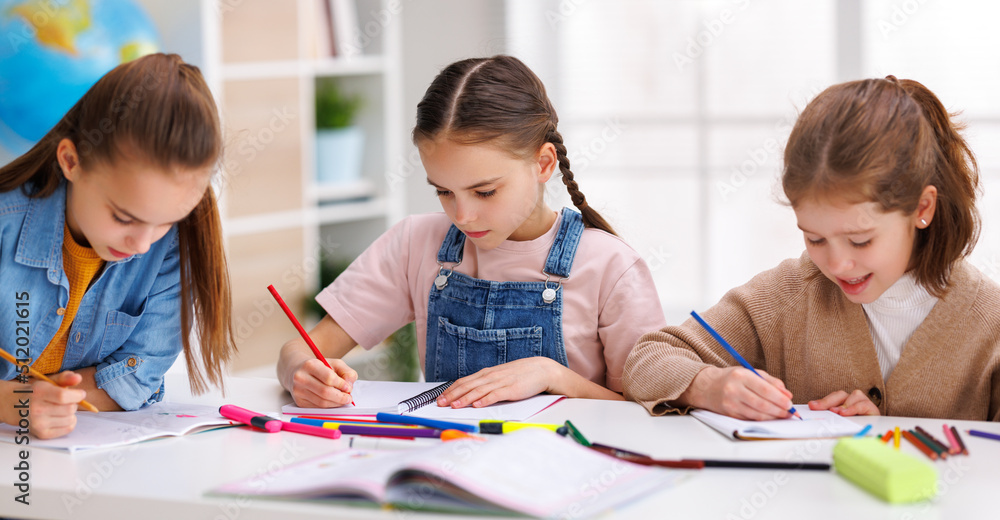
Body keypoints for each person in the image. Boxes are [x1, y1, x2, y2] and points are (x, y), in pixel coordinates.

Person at [278, 55, 665, 409]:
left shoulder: (611, 267)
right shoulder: (416, 243)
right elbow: (301, 348)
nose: (462, 215)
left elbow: (650, 409)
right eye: (444, 191)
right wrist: (301, 373)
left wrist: (552, 376)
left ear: (543, 164)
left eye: (485, 191)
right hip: (445, 461)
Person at [623, 76, 1000, 422]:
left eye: (860, 240)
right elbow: (647, 358)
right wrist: (707, 385)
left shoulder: (990, 322)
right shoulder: (787, 295)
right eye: (815, 239)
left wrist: (890, 437)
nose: (837, 264)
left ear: (922, 208)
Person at [0, 53, 236, 439]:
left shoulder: (174, 245)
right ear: (71, 161)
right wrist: (11, 403)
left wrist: (53, 402)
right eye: (124, 218)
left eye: (165, 222)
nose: (143, 245)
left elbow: (141, 370)